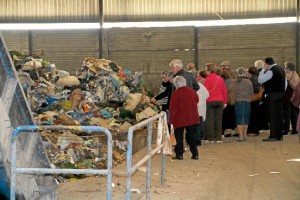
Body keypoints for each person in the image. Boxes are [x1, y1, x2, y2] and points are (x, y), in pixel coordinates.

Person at [169, 76, 199, 160]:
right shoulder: (192, 91)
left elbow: (173, 108)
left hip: (179, 118)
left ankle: (179, 155)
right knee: (192, 136)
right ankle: (195, 154)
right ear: (185, 82)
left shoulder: (176, 94)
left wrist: (171, 120)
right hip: (191, 117)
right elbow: (197, 100)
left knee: (178, 137)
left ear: (176, 84)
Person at [258, 57, 286, 141]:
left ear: (266, 64)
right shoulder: (281, 69)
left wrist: (263, 70)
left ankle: (273, 136)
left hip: (273, 95)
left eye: (264, 64)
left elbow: (260, 80)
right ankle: (279, 135)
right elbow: (285, 84)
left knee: (273, 116)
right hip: (281, 94)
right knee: (279, 115)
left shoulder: (271, 70)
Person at [203, 62, 227, 143]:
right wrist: (225, 102)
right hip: (220, 101)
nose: (206, 72)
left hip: (210, 101)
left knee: (210, 120)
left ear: (209, 70)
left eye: (206, 70)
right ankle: (219, 138)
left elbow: (205, 92)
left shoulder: (207, 79)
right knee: (218, 120)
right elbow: (224, 91)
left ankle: (211, 138)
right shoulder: (220, 78)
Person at [234, 67, 254, 141]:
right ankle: (245, 135)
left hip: (238, 101)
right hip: (247, 102)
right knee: (246, 119)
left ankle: (241, 136)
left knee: (239, 119)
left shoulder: (236, 82)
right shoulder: (249, 82)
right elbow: (252, 93)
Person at [283, 62, 299, 135]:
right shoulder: (296, 74)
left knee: (287, 115)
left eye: (285, 67)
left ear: (289, 68)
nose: (284, 68)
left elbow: (287, 87)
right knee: (294, 114)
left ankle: (286, 130)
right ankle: (294, 130)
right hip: (295, 98)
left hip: (289, 97)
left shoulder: (289, 75)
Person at [220, 69, 236, 137]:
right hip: (233, 101)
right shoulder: (234, 81)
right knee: (231, 117)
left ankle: (226, 132)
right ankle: (231, 130)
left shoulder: (222, 82)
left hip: (225, 101)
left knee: (225, 117)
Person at [255, 59, 269, 131]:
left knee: (260, 110)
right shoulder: (266, 72)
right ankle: (265, 125)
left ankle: (261, 125)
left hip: (260, 93)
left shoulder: (257, 74)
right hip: (266, 93)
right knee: (265, 110)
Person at [247, 66, 261, 136]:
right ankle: (253, 130)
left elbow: (256, 89)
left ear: (250, 73)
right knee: (254, 115)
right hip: (255, 99)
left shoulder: (253, 79)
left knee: (254, 115)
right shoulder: (256, 78)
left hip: (254, 99)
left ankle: (254, 131)